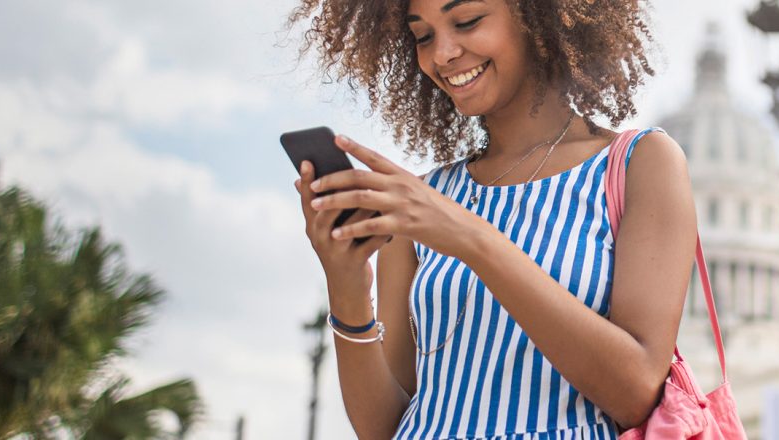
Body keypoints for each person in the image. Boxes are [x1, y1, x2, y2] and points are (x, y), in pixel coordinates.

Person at [286, 0, 697, 438]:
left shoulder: (637, 164)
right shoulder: (425, 199)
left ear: (538, 15)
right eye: (422, 36)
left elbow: (636, 393)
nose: (442, 54)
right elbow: (383, 428)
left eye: (466, 21)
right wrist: (346, 284)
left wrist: (471, 238)